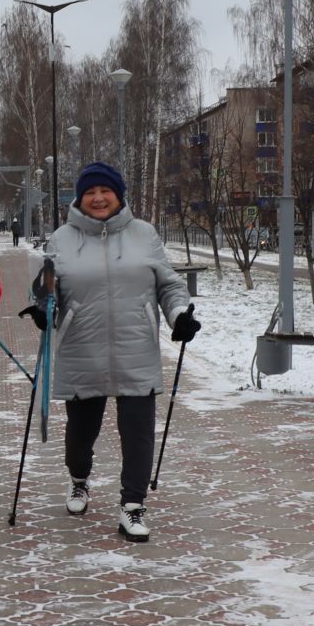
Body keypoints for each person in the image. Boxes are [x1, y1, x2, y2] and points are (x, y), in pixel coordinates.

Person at [24, 161, 197, 543]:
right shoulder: (62, 239)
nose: (98, 198)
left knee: (138, 433)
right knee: (80, 434)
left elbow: (168, 285)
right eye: (90, 192)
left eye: (106, 191)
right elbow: (45, 286)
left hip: (135, 348)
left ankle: (133, 505)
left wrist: (179, 315)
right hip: (81, 349)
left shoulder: (144, 234)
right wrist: (41, 306)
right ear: (80, 198)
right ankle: (79, 479)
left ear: (119, 195)